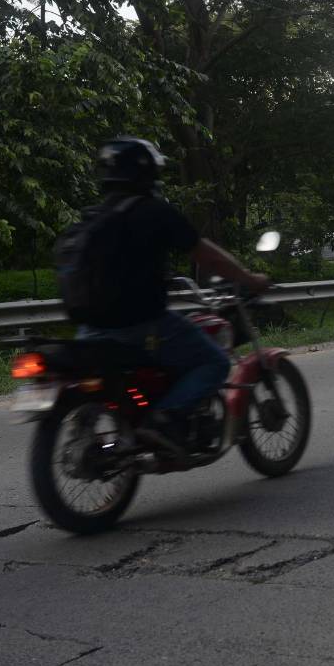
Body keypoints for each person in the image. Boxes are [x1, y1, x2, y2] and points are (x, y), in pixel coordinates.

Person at [77, 136, 270, 459]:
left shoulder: (92, 217)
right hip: (142, 324)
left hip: (90, 330)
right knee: (215, 361)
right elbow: (207, 255)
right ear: (146, 173)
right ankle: (165, 417)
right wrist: (250, 278)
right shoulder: (153, 212)